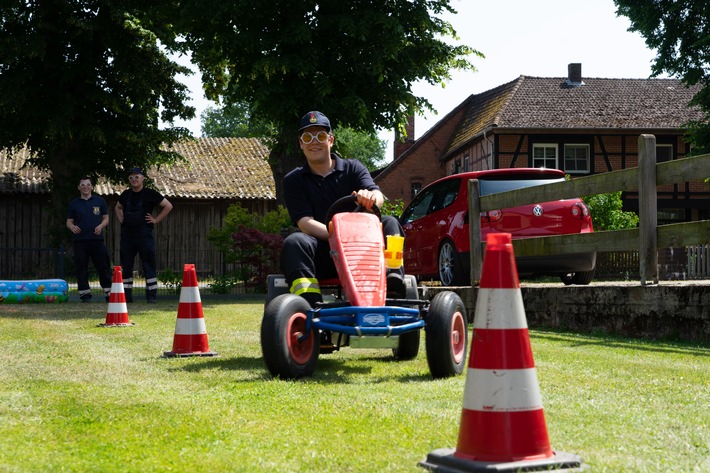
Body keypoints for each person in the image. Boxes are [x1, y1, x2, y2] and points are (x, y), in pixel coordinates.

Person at [281, 111, 407, 310]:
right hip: (323, 253)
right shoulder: (293, 180)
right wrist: (338, 237)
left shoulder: (353, 168)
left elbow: (378, 196)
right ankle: (310, 307)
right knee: (295, 242)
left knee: (390, 223)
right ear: (301, 143)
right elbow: (304, 222)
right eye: (307, 137)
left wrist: (370, 198)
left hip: (363, 252)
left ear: (330, 140)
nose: (314, 142)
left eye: (320, 136)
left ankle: (392, 279)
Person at [114, 167, 173, 303]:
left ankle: (151, 297)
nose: (134, 179)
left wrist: (156, 219)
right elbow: (117, 207)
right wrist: (120, 217)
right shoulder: (125, 194)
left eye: (136, 177)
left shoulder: (150, 193)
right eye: (131, 177)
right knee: (126, 266)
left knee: (148, 264)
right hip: (127, 235)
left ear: (142, 179)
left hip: (144, 234)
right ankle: (126, 298)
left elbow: (168, 206)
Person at [66, 177, 113, 303]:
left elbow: (106, 219)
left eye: (88, 185)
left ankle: (109, 293)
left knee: (103, 266)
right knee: (81, 267)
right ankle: (84, 294)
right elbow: (69, 222)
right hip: (80, 241)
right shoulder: (73, 204)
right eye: (83, 185)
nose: (85, 187)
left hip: (97, 240)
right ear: (79, 187)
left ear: (92, 187)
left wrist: (101, 226)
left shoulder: (100, 201)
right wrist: (72, 227)